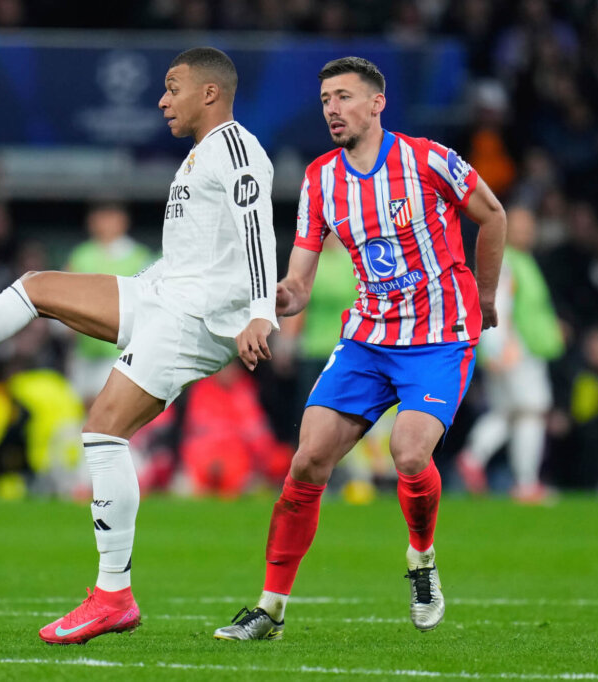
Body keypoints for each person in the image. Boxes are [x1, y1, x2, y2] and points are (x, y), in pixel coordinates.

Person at [0, 47, 278, 645]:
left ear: (209, 93)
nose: (161, 99)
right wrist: (155, 288)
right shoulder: (200, 156)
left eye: (172, 87)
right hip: (166, 296)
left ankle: (113, 595)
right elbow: (198, 255)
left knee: (102, 431)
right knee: (37, 287)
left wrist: (259, 311)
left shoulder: (235, 146)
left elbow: (259, 226)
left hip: (195, 317)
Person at [213, 56, 506, 641]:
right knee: (307, 460)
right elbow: (300, 280)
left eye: (344, 97)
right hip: (368, 338)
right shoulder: (320, 178)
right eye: (325, 100)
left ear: (377, 103)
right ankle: (269, 609)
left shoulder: (428, 159)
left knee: (409, 454)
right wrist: (268, 306)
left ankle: (421, 561)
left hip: (438, 335)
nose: (332, 109)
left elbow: (492, 214)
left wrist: (488, 296)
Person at [457, 206, 564, 504]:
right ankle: (525, 482)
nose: (527, 232)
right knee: (531, 410)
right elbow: (495, 304)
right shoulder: (506, 263)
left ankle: (474, 457)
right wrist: (496, 346)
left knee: (508, 412)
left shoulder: (521, 260)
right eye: (520, 226)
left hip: (517, 348)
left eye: (530, 226)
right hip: (517, 350)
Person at [65, 202, 153, 406]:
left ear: (122, 221)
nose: (103, 222)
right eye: (98, 216)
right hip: (84, 352)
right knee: (80, 410)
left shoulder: (139, 257)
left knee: (106, 408)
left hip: (119, 351)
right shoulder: (80, 255)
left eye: (109, 216)